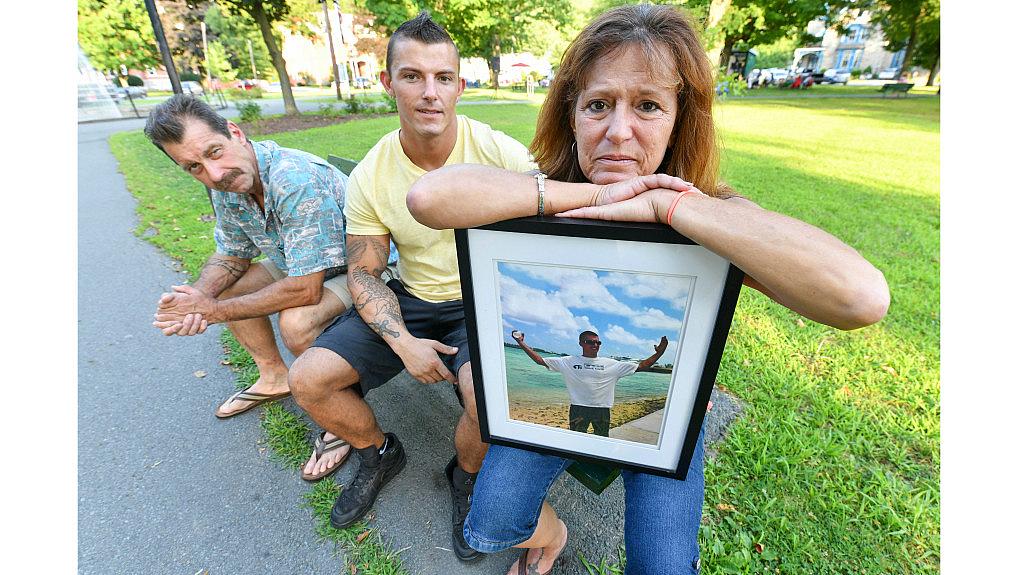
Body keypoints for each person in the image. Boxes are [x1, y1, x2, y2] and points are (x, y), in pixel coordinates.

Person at [406, 4, 890, 574]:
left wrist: (666, 203)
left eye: (649, 106)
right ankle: (552, 534)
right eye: (598, 105)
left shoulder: (712, 215)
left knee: (662, 568)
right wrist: (593, 198)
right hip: (552, 412)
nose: (618, 131)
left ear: (680, 119)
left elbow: (861, 297)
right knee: (490, 524)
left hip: (667, 424)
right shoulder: (545, 194)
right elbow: (430, 198)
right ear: (573, 113)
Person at [285, 12, 534, 562]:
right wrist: (403, 342)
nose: (429, 93)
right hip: (413, 301)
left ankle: (463, 474)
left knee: (485, 400)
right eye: (412, 76)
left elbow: (550, 226)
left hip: (483, 301)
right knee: (308, 379)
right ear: (387, 82)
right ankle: (377, 452)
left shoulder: (500, 153)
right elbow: (365, 272)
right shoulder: (373, 174)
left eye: (443, 77)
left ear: (460, 86)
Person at [144, 95, 375, 481]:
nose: (215, 174)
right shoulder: (227, 184)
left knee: (297, 322)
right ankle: (275, 377)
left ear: (236, 133)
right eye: (194, 167)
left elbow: (304, 290)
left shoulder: (293, 179)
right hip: (300, 260)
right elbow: (232, 256)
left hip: (364, 269)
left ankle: (339, 413)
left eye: (215, 152)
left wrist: (213, 312)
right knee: (227, 289)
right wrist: (200, 295)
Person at [511, 330, 668, 436]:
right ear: (581, 343)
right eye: (590, 342)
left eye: (598, 343)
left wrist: (659, 353)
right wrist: (520, 343)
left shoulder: (611, 363)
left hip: (602, 410)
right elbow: (540, 360)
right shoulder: (568, 362)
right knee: (576, 440)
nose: (595, 345)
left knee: (601, 440)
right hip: (578, 409)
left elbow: (642, 365)